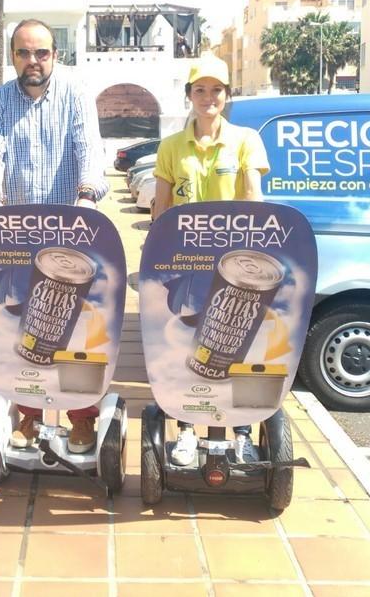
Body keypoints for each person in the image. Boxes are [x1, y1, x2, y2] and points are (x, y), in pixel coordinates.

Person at [0, 18, 109, 454]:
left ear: (55, 55)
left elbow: (89, 148)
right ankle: (28, 416)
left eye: (42, 53)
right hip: (18, 235)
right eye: (24, 53)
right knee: (22, 329)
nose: (33, 61)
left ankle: (82, 417)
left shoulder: (75, 94)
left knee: (78, 329)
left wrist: (87, 196)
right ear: (13, 56)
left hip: (72, 232)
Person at [151, 55, 270, 467]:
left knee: (236, 345)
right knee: (188, 346)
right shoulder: (170, 147)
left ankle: (241, 434)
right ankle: (185, 430)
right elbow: (161, 210)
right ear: (189, 96)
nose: (208, 97)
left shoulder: (245, 140)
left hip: (236, 269)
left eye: (216, 90)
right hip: (187, 266)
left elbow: (253, 196)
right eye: (199, 90)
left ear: (227, 95)